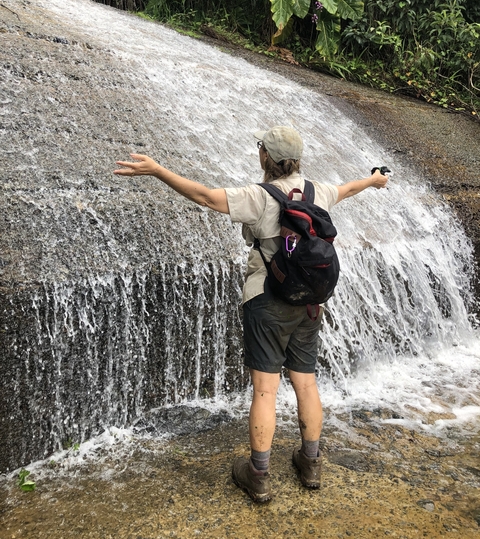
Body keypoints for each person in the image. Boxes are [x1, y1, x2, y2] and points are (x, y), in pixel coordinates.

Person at [114, 126, 389, 503]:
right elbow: (348, 189)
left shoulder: (258, 196)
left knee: (265, 389)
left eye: (261, 148)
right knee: (306, 383)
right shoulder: (318, 191)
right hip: (310, 302)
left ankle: (258, 474)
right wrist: (373, 181)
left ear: (266, 157)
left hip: (267, 298)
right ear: (297, 159)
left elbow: (205, 197)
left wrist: (158, 170)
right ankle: (310, 464)